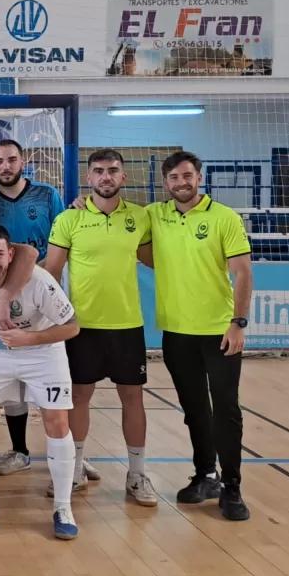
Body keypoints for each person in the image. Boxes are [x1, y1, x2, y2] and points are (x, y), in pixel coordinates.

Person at [0, 224, 82, 540]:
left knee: (57, 422)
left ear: (11, 254)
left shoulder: (39, 281)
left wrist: (30, 338)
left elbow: (72, 327)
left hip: (43, 353)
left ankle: (63, 507)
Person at [44, 149, 157, 506]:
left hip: (127, 325)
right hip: (82, 327)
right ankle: (75, 468)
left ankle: (137, 474)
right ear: (88, 177)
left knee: (133, 398)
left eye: (112, 170)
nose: (105, 176)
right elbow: (50, 273)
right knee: (79, 397)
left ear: (123, 176)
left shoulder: (141, 217)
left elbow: (156, 260)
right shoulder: (69, 219)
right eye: (98, 171)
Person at [148, 151, 253, 520]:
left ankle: (232, 487)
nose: (182, 183)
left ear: (199, 177)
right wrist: (81, 202)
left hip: (218, 331)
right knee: (194, 409)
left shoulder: (224, 218)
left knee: (226, 409)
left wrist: (238, 322)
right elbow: (124, 227)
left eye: (187, 176)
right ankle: (205, 475)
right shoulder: (155, 215)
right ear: (165, 182)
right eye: (174, 178)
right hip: (176, 332)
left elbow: (242, 272)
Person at [0, 138, 71, 484]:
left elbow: (62, 238)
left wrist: (35, 279)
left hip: (43, 295)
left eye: (11, 159)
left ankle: (73, 458)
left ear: (22, 162)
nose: (6, 166)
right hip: (2, 300)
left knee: (56, 386)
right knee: (11, 381)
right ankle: (20, 450)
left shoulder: (47, 195)